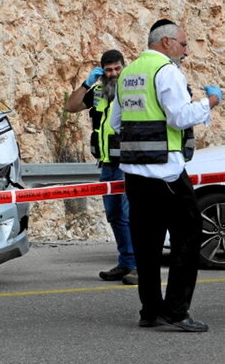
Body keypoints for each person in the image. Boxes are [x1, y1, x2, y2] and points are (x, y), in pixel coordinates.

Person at [111, 18, 221, 332]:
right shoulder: (166, 71)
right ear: (166, 42)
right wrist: (209, 102)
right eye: (184, 44)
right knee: (189, 236)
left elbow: (116, 122)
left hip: (135, 172)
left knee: (147, 244)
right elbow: (179, 117)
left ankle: (150, 310)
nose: (186, 50)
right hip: (166, 172)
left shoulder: (129, 72)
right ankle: (176, 311)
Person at [65, 49, 137, 285]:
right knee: (115, 216)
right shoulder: (97, 91)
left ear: (124, 67)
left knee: (130, 216)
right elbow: (71, 107)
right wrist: (86, 84)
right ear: (102, 71)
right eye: (109, 70)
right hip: (106, 164)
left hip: (128, 163)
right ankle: (125, 262)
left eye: (117, 68)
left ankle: (137, 266)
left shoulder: (132, 90)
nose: (113, 73)